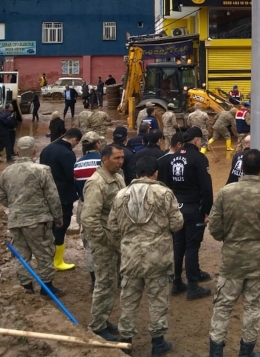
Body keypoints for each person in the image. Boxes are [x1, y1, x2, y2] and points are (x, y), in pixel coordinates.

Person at [208, 148, 260, 357]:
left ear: (242, 167)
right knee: (253, 308)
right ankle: (246, 352)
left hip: (232, 260)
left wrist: (228, 237)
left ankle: (215, 351)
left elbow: (214, 227)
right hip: (259, 261)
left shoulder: (227, 192)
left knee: (223, 306)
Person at [109, 156, 183, 356]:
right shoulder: (165, 193)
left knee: (129, 299)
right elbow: (177, 224)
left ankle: (125, 341)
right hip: (158, 257)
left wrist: (127, 242)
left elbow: (113, 227)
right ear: (156, 173)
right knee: (158, 298)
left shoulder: (120, 195)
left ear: (135, 173)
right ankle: (157, 343)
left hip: (131, 256)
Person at [0, 136, 65, 297]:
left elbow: (1, 197)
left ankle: (26, 287)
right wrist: (58, 217)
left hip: (15, 220)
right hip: (38, 220)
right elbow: (52, 197)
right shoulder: (42, 170)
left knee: (22, 254)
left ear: (16, 151)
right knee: (44, 253)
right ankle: (47, 287)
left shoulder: (6, 172)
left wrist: (16, 207)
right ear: (35, 151)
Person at [157, 128, 213, 299]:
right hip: (192, 207)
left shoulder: (171, 158)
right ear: (196, 140)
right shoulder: (199, 158)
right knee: (192, 246)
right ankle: (193, 286)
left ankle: (176, 282)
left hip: (176, 207)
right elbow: (206, 188)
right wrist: (206, 210)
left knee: (178, 245)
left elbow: (164, 185)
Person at [82, 144, 126, 342]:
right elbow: (89, 218)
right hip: (104, 243)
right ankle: (97, 326)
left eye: (122, 158)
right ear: (105, 159)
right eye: (116, 158)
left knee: (111, 283)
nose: (120, 162)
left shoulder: (117, 177)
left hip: (115, 240)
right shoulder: (96, 182)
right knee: (104, 283)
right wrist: (105, 240)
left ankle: (103, 318)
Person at [39, 128, 82, 271]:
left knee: (49, 226)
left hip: (46, 195)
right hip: (63, 195)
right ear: (75, 140)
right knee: (62, 225)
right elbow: (71, 176)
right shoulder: (67, 153)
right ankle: (57, 262)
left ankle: (47, 258)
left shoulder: (46, 149)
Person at [74, 131, 103, 288]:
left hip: (85, 207)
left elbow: (75, 187)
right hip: (103, 208)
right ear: (97, 144)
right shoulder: (104, 161)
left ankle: (93, 280)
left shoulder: (77, 163)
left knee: (89, 245)